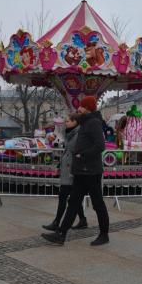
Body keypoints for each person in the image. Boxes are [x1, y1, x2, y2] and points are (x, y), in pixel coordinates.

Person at [41, 95, 110, 246]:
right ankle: (61, 234)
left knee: (97, 203)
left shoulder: (94, 123)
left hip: (91, 171)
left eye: (82, 106)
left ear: (88, 108)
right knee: (73, 202)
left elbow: (100, 146)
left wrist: (82, 154)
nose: (79, 108)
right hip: (81, 170)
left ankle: (104, 234)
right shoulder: (85, 122)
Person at [43, 113, 88, 231]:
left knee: (64, 197)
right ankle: (82, 220)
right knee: (73, 199)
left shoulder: (78, 135)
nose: (65, 123)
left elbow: (77, 152)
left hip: (72, 171)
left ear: (75, 122)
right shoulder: (69, 133)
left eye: (68, 121)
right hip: (67, 169)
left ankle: (57, 222)